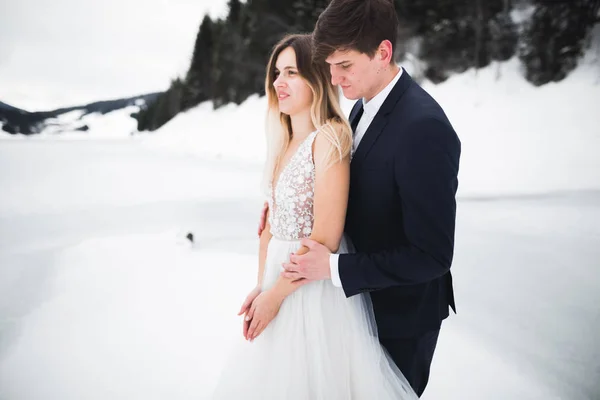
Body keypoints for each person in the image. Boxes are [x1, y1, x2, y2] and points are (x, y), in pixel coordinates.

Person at [255, 0, 461, 396]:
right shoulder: (362, 110)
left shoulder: (424, 128)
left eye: (344, 65)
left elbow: (432, 256)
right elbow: (355, 197)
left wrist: (334, 268)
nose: (333, 78)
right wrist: (287, 210)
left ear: (383, 53)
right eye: (329, 65)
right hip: (351, 313)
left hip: (399, 318)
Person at [211, 33, 417, 399]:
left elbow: (326, 237)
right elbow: (269, 229)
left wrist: (274, 295)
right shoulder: (283, 140)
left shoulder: (332, 138)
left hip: (313, 295)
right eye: (276, 73)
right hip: (277, 285)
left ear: (315, 78)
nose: (278, 82)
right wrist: (262, 287)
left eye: (291, 72)